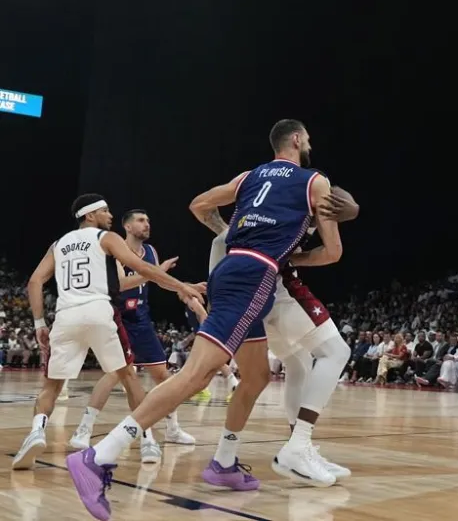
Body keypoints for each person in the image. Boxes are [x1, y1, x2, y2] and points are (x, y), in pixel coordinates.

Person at [68, 119, 344, 521]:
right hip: (255, 274)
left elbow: (199, 204)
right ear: (298, 140)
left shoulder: (249, 176)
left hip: (233, 268)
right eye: (309, 138)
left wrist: (229, 231)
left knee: (255, 376)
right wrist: (294, 255)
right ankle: (99, 456)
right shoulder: (315, 181)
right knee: (195, 375)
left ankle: (224, 463)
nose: (310, 144)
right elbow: (333, 252)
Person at [13, 195, 204, 471]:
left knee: (52, 384)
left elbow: (34, 281)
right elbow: (141, 268)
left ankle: (36, 432)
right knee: (128, 376)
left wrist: (39, 324)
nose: (110, 215)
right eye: (105, 211)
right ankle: (148, 438)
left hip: (66, 316)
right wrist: (180, 286)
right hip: (100, 311)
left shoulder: (59, 244)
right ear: (90, 216)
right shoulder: (106, 237)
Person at [208, 221, 355, 487]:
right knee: (336, 352)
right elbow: (332, 253)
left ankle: (229, 457)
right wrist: (339, 212)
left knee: (292, 368)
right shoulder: (290, 205)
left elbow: (216, 235)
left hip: (246, 298)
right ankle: (297, 445)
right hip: (277, 290)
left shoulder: (251, 217)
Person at [68, 209, 196, 452]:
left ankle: (173, 429)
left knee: (163, 377)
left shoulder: (151, 252)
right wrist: (154, 272)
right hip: (118, 319)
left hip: (142, 320)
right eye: (141, 220)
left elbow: (157, 279)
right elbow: (123, 283)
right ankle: (84, 428)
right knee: (117, 374)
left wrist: (186, 287)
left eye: (148, 220)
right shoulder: (114, 248)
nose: (147, 224)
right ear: (127, 227)